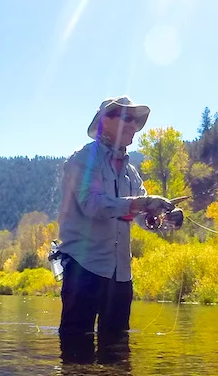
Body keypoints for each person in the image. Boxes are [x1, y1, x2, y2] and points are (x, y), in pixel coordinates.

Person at [55, 95, 179, 346]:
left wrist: (161, 217)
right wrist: (143, 204)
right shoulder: (82, 160)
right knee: (75, 351)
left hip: (121, 276)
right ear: (105, 122)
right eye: (128, 118)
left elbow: (143, 217)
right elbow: (92, 204)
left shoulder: (131, 172)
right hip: (83, 269)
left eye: (136, 121)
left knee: (118, 354)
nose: (134, 126)